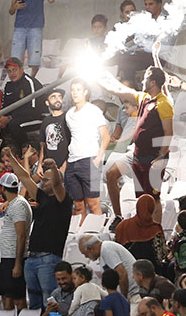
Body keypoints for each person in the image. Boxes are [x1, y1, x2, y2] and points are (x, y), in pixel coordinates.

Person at [99, 68, 173, 223]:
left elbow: (168, 132)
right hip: (138, 156)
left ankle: (155, 231)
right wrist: (101, 76)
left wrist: (161, 156)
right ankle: (140, 228)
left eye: (145, 78)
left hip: (153, 158)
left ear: (152, 82)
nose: (141, 81)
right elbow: (121, 90)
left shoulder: (163, 103)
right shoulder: (144, 98)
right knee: (141, 197)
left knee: (153, 198)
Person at [11, 155, 72, 312]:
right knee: (34, 302)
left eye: (46, 180)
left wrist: (54, 168)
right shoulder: (41, 197)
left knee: (49, 302)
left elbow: (58, 184)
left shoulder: (63, 201)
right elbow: (24, 176)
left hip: (48, 257)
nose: (42, 182)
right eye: (42, 180)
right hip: (32, 258)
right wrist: (11, 157)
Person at [65, 78, 108, 218]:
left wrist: (98, 158)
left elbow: (105, 136)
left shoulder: (93, 111)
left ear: (85, 92)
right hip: (72, 162)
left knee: (94, 203)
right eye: (72, 90)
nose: (75, 93)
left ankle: (97, 236)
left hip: (90, 159)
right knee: (77, 206)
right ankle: (79, 237)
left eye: (78, 90)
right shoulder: (69, 114)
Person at [9, 0, 55, 78]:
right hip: (20, 27)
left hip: (36, 27)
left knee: (34, 60)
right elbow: (11, 10)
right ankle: (18, 81)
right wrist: (16, 6)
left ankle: (31, 80)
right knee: (15, 60)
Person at [0, 172, 33, 311]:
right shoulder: (15, 203)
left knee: (17, 298)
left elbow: (21, 234)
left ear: (3, 188)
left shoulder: (18, 205)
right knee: (7, 297)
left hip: (13, 258)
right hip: (8, 257)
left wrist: (17, 264)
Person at [0, 57, 47, 150]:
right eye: (9, 71)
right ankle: (3, 155)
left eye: (14, 70)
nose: (12, 73)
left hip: (36, 117)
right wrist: (2, 118)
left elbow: (34, 109)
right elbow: (5, 108)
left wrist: (9, 118)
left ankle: (23, 150)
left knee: (13, 124)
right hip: (15, 118)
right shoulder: (8, 86)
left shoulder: (29, 82)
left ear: (22, 69)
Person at [78, 236, 141, 311]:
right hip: (129, 295)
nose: (86, 257)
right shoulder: (104, 251)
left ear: (90, 248)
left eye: (85, 254)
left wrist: (123, 300)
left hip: (134, 295)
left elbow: (122, 274)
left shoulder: (106, 249)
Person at [116, 195, 167, 272]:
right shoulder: (156, 229)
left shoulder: (122, 226)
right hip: (150, 273)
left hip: (128, 270)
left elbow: (117, 249)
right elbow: (161, 255)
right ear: (152, 209)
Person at [38, 88, 69, 174]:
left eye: (59, 97)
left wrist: (65, 165)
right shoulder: (46, 121)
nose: (57, 99)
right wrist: (40, 165)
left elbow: (74, 143)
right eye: (53, 97)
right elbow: (42, 145)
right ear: (47, 103)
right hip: (48, 167)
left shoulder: (68, 117)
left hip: (65, 166)